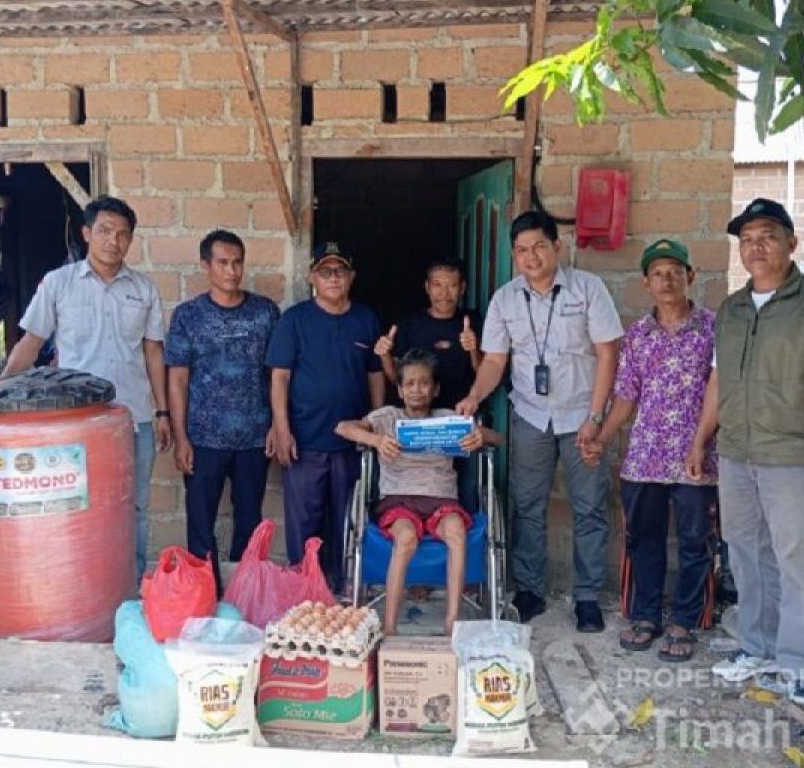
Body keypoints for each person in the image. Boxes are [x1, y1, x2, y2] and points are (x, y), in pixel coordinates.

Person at [686, 197, 804, 707]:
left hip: (796, 455)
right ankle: (757, 648)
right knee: (746, 553)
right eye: (747, 240)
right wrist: (701, 441)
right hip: (738, 452)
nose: (756, 248)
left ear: (791, 243)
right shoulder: (733, 309)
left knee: (798, 561)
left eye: (768, 237)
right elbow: (718, 380)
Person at [456, 210, 623, 632]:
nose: (531, 257)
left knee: (589, 506)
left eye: (539, 247)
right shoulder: (505, 299)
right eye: (521, 250)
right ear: (514, 255)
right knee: (527, 504)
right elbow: (495, 361)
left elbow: (608, 353)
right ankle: (529, 590)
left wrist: (597, 416)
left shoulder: (587, 289)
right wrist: (475, 395)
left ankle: (587, 596)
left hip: (583, 414)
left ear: (557, 247)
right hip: (531, 415)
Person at [1, 195, 170, 580]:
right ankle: (81, 585)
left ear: (131, 240)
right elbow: (31, 342)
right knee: (77, 504)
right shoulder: (58, 284)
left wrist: (162, 413)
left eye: (123, 234)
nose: (114, 241)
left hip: (134, 419)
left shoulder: (144, 289)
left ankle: (128, 586)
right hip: (76, 423)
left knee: (134, 506)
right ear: (86, 233)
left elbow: (153, 353)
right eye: (105, 231)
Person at [593, 239, 718, 662]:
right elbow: (626, 395)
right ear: (646, 282)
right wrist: (601, 438)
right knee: (644, 539)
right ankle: (646, 616)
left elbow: (720, 390)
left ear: (691, 276)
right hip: (645, 455)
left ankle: (685, 620)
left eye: (675, 272)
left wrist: (701, 442)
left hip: (696, 456)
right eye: (658, 274)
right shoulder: (637, 335)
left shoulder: (712, 328)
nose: (667, 281)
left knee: (695, 541)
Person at [336, 349, 501, 635]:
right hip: (399, 500)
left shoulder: (448, 418)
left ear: (435, 389)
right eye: (410, 384)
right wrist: (375, 440)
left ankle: (452, 623)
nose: (417, 390)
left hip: (442, 499)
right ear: (399, 390)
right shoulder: (387, 417)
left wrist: (479, 436)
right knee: (406, 538)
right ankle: (390, 627)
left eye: (424, 383)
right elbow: (343, 427)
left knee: (457, 532)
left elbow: (497, 438)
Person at [164, 229, 280, 594]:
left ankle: (242, 595)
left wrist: (277, 425)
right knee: (201, 524)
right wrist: (182, 438)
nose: (232, 271)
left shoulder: (265, 312)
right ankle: (205, 594)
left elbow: (277, 375)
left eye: (237, 262)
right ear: (206, 265)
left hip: (254, 438)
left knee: (249, 520)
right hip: (202, 439)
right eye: (223, 263)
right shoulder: (188, 316)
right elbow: (178, 379)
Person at [266, 241, 385, 592]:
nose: (333, 278)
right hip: (305, 440)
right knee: (305, 522)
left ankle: (343, 588)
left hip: (352, 443)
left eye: (340, 271)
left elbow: (375, 375)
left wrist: (376, 424)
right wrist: (282, 429)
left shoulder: (365, 319)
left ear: (352, 277)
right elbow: (279, 378)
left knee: (349, 519)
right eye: (325, 271)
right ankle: (304, 589)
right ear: (311, 277)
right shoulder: (294, 321)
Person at [374, 257, 482, 410]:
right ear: (427, 287)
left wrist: (473, 349)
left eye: (452, 285)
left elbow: (485, 373)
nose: (444, 293)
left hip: (461, 414)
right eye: (437, 285)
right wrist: (384, 355)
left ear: (462, 288)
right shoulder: (410, 324)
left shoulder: (473, 321)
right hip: (418, 416)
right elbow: (397, 379)